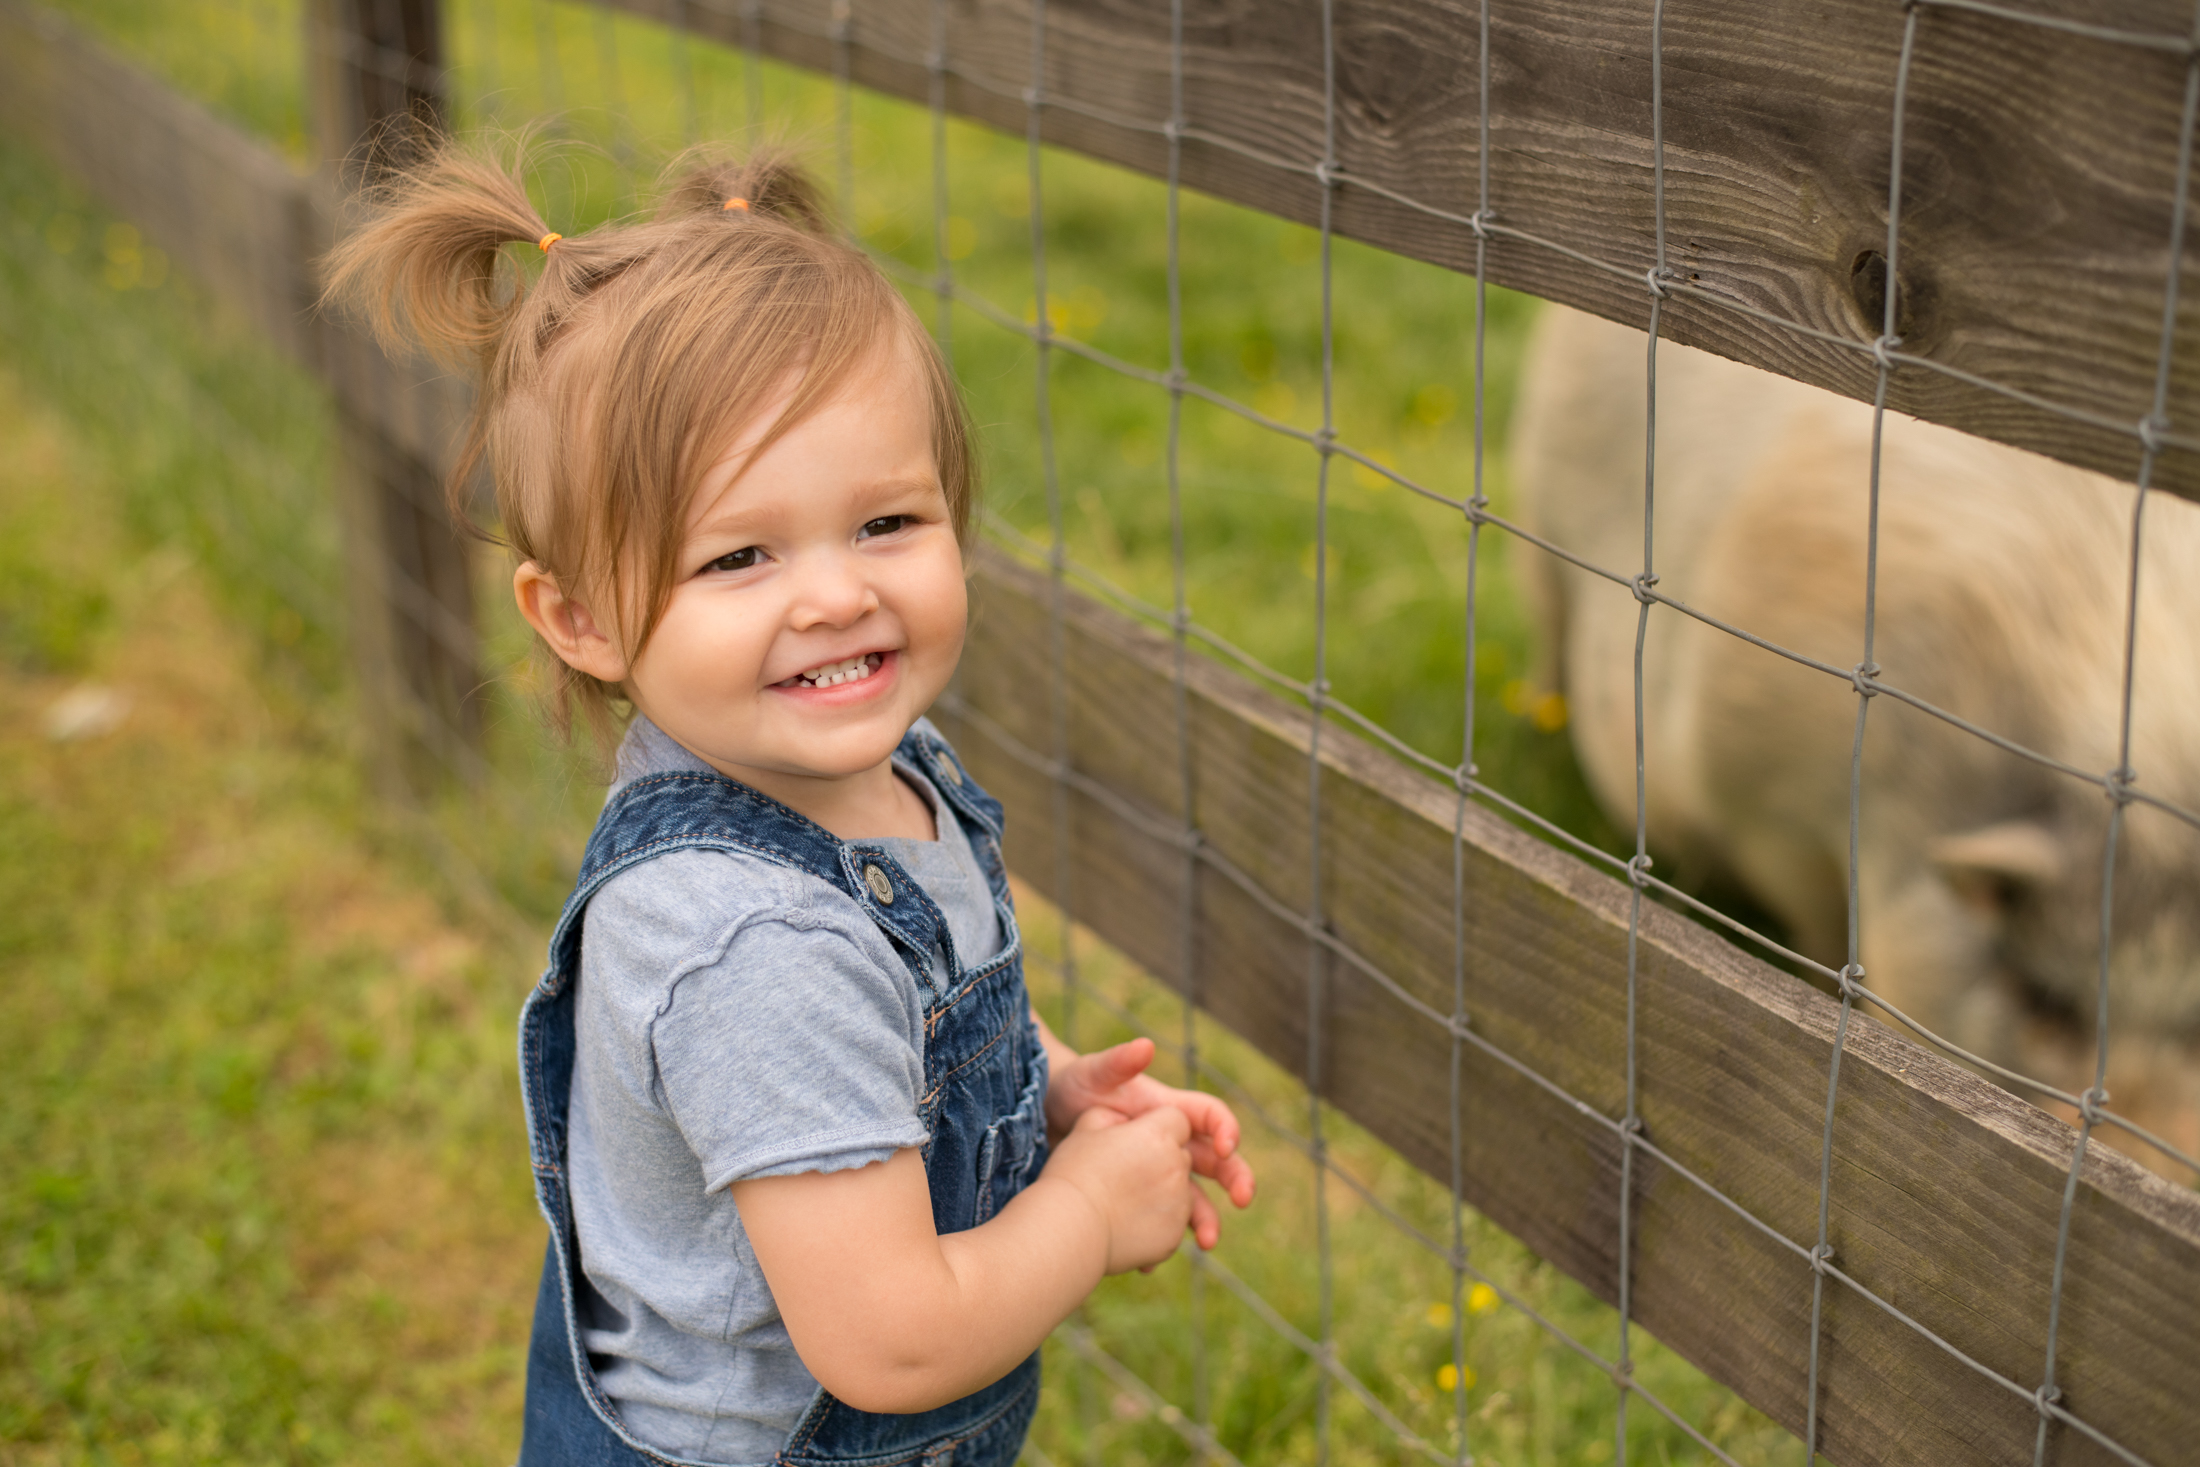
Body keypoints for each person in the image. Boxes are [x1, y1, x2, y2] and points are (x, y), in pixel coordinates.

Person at [323, 139, 1257, 1467]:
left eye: (884, 524)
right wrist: (1093, 1214)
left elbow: (904, 1004)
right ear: (580, 617)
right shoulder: (753, 948)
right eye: (739, 554)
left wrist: (1041, 1084)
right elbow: (890, 1345)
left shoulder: (881, 768)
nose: (833, 595)